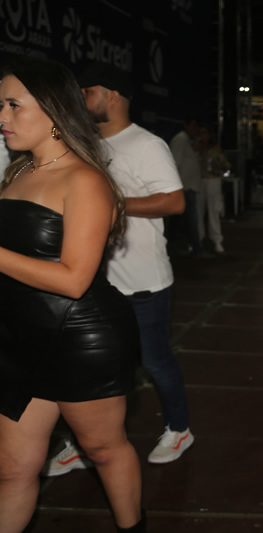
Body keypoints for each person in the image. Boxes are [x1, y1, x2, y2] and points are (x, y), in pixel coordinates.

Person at [0, 58, 145, 532]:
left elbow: (73, 279)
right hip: (20, 339)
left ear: (52, 110)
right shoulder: (18, 172)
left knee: (103, 450)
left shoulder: (84, 179)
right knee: (12, 469)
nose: (2, 117)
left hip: (80, 338)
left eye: (13, 105)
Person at [41, 62, 194, 477]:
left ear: (112, 96)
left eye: (87, 91)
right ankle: (84, 443)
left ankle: (179, 429)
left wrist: (111, 205)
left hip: (143, 281)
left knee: (154, 360)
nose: (79, 99)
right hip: (92, 280)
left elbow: (175, 201)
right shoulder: (82, 144)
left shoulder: (146, 144)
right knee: (91, 367)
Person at [170, 115, 206, 256]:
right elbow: (175, 162)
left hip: (188, 186)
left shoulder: (187, 141)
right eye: (193, 125)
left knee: (180, 220)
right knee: (189, 220)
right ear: (186, 125)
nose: (195, 129)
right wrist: (176, 186)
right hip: (184, 187)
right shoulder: (180, 140)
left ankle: (182, 247)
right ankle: (195, 248)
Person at [196, 123, 230, 253]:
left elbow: (226, 166)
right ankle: (197, 239)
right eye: (200, 133)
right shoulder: (196, 147)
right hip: (198, 180)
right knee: (198, 211)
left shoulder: (216, 149)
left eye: (204, 133)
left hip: (212, 180)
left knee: (213, 211)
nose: (202, 136)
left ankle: (217, 240)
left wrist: (218, 167)